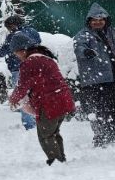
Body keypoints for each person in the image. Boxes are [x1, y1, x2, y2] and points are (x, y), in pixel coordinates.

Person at [8, 34, 76, 166]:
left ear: (22, 50)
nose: (17, 56)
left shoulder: (30, 62)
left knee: (45, 135)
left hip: (50, 103)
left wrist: (13, 99)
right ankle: (60, 158)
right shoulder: (45, 58)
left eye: (16, 53)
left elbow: (22, 86)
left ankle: (56, 161)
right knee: (53, 133)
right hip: (62, 100)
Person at [74, 3, 115, 147]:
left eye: (101, 19)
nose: (98, 22)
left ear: (106, 20)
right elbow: (79, 47)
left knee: (111, 108)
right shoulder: (83, 34)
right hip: (95, 79)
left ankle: (110, 134)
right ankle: (100, 137)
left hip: (114, 78)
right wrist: (86, 52)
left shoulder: (113, 33)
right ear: (89, 21)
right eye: (94, 19)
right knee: (98, 109)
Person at [0, 15, 41, 130]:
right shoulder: (32, 31)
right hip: (36, 67)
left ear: (12, 25)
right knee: (35, 94)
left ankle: (29, 124)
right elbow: (38, 42)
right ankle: (40, 120)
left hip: (18, 68)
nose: (8, 30)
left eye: (8, 27)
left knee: (23, 96)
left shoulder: (14, 36)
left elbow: (4, 51)